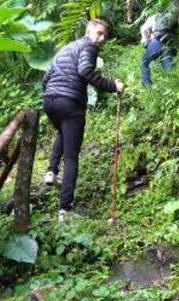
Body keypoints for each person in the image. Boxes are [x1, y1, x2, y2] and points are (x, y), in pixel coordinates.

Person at [42, 18, 124, 222]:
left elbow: (46, 78)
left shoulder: (66, 48)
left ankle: (51, 172)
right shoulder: (89, 46)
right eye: (99, 33)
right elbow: (85, 70)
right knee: (71, 156)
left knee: (62, 132)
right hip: (70, 104)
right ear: (89, 32)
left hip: (50, 101)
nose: (102, 38)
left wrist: (53, 95)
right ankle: (64, 210)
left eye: (104, 35)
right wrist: (113, 86)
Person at [140, 6, 178, 87]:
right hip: (168, 45)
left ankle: (147, 85)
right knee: (168, 69)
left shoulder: (153, 17)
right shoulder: (172, 19)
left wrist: (146, 40)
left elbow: (144, 29)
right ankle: (171, 87)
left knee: (145, 63)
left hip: (155, 43)